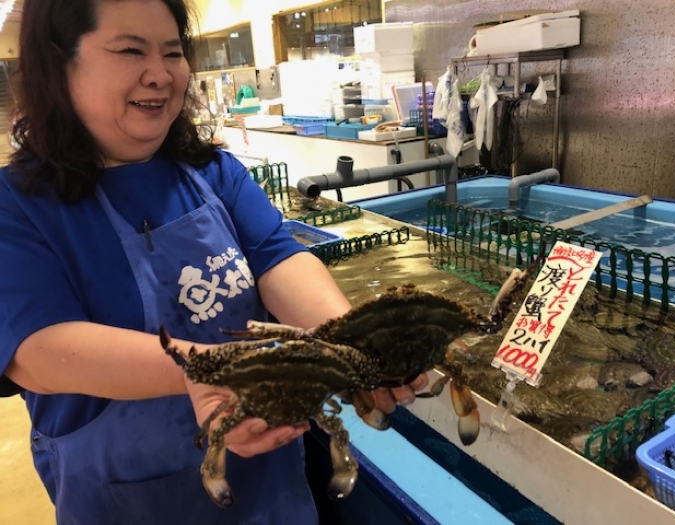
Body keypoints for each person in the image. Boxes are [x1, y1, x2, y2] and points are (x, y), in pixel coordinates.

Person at [0, 1, 428, 523]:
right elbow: (35, 351)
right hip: (128, 497)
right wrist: (203, 370)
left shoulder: (212, 171)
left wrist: (354, 343)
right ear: (57, 62)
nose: (160, 75)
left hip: (267, 480)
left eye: (172, 53)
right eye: (130, 50)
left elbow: (278, 259)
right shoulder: (17, 205)